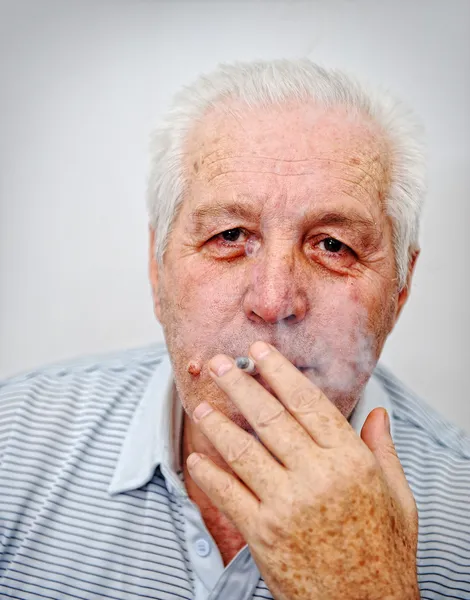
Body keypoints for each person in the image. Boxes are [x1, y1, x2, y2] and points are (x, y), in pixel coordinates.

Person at [1, 59, 469, 600]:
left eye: (333, 246)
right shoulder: (12, 444)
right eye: (229, 235)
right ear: (158, 272)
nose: (273, 303)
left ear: (400, 292)